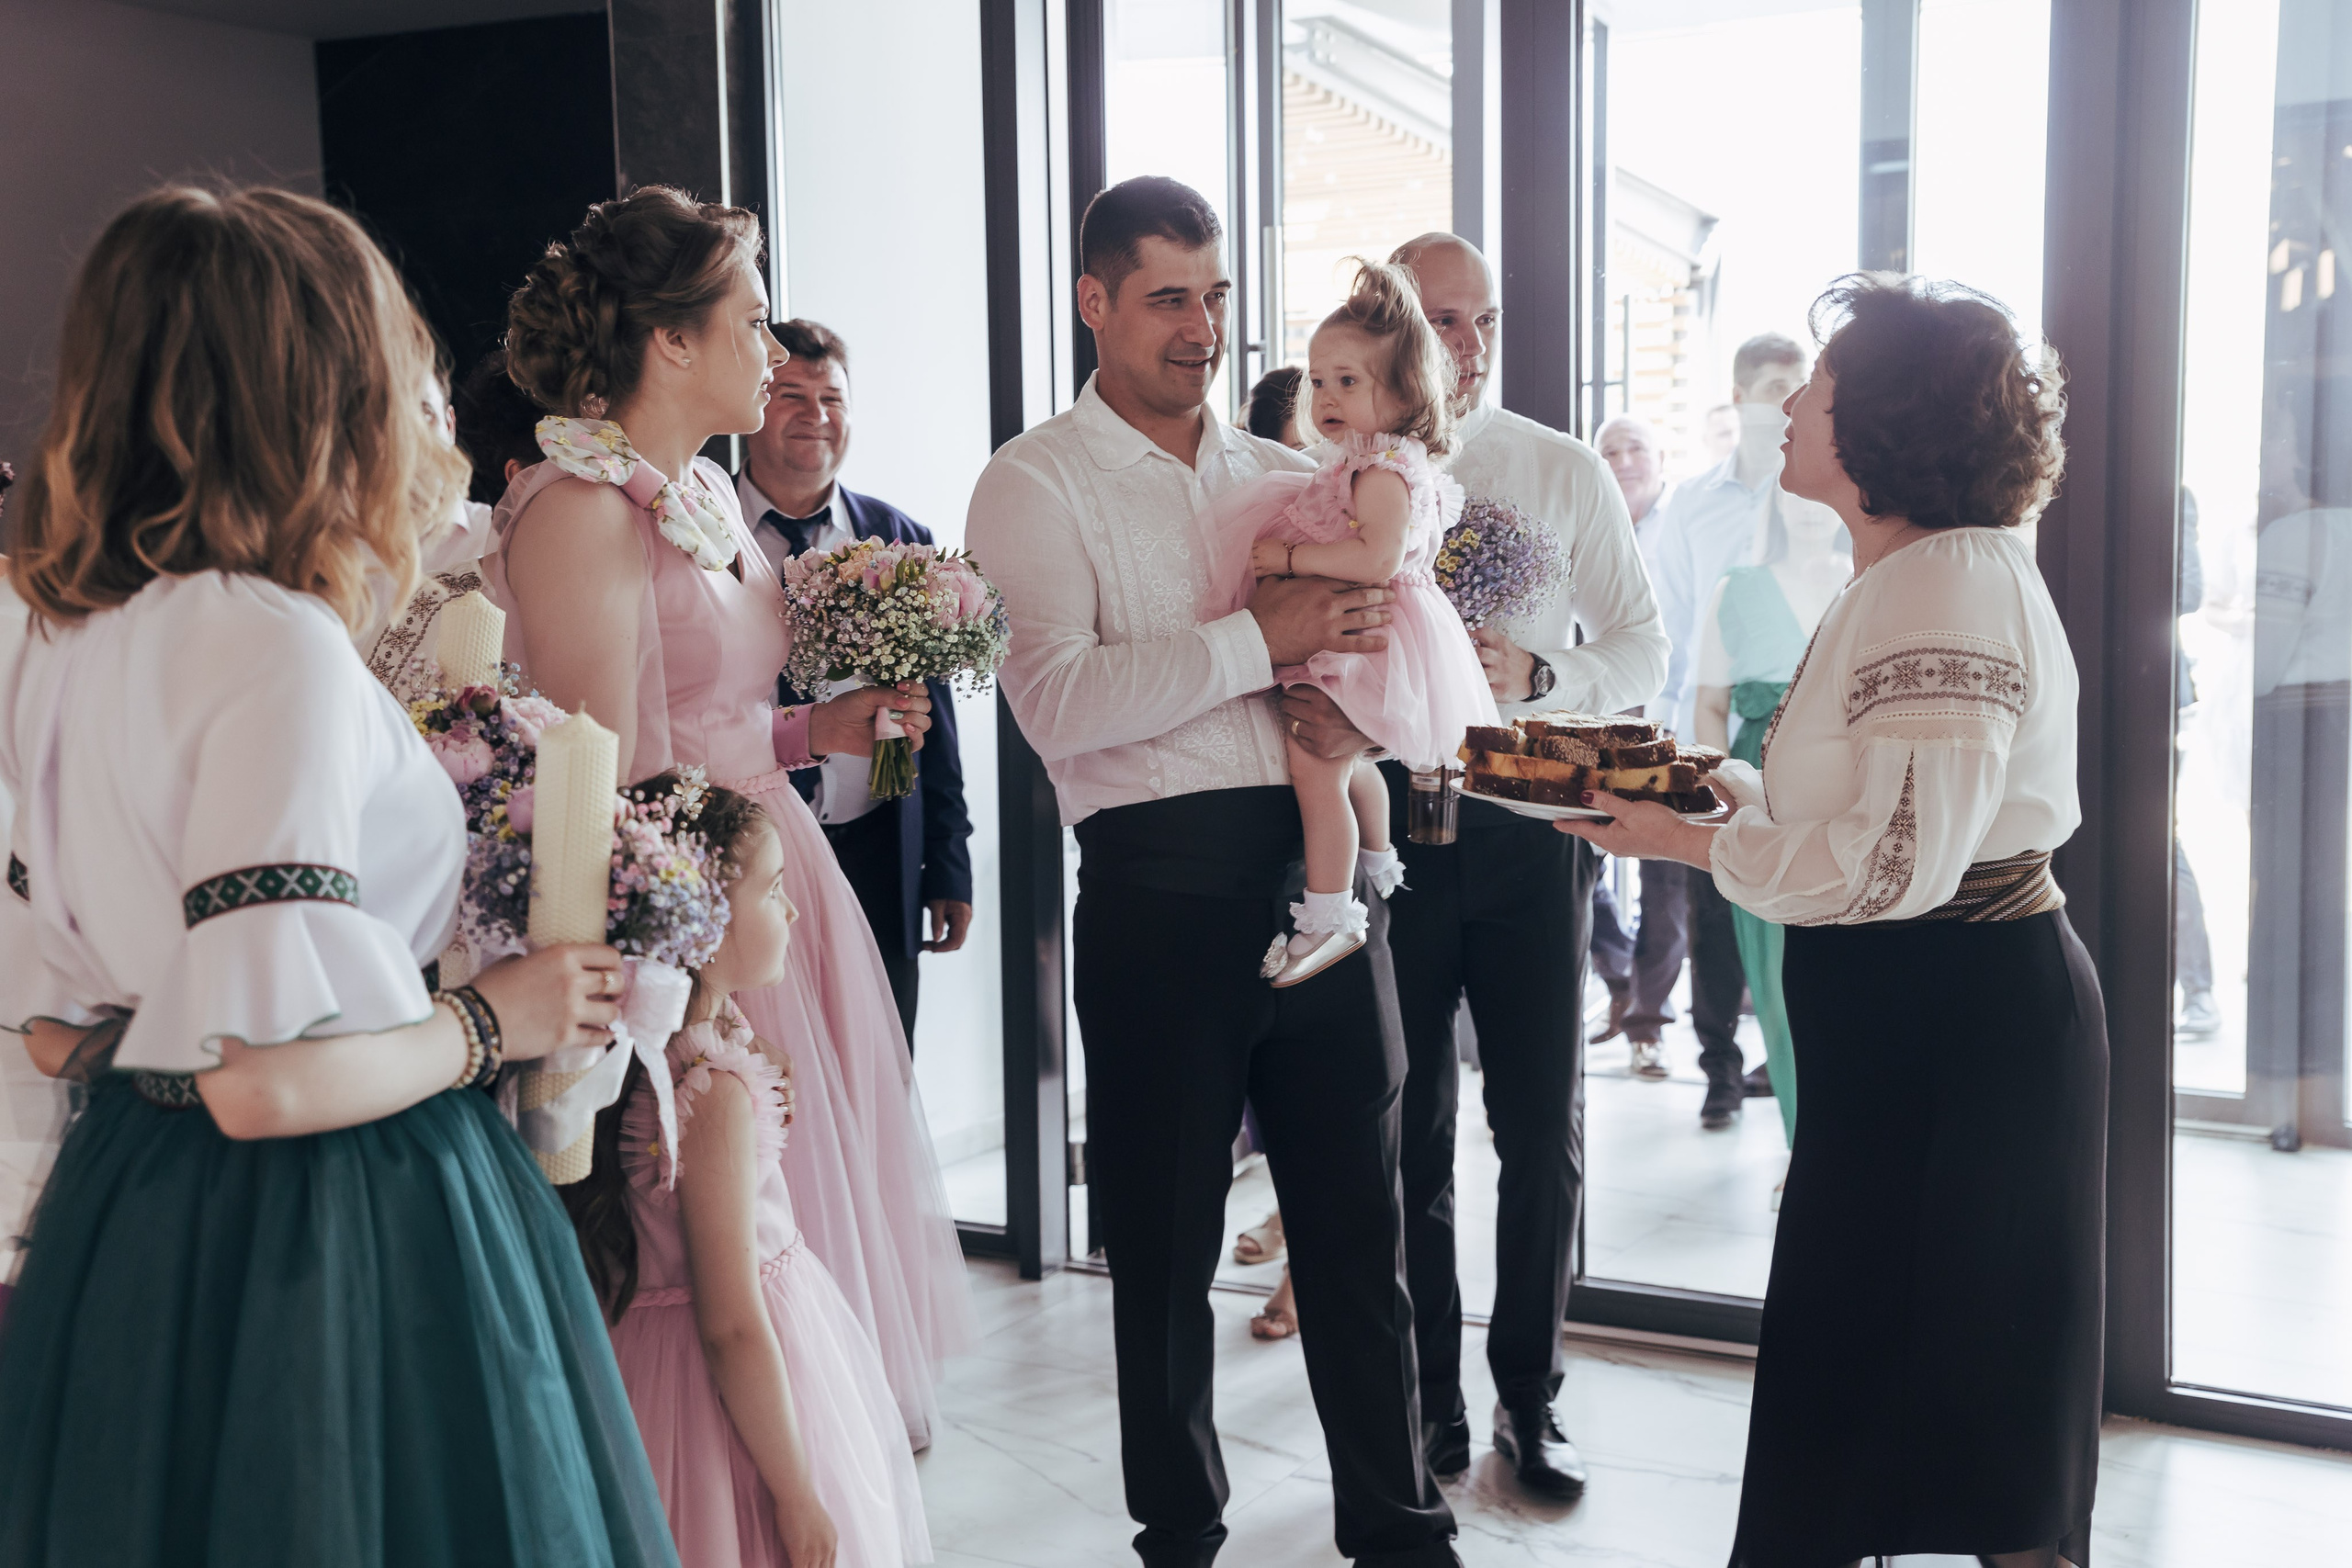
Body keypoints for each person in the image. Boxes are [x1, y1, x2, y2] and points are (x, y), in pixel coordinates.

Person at [0, 185, 674, 1568]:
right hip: (330, 1226)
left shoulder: (56, 634)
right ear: (326, 395)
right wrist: (508, 1012)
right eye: (406, 375)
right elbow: (270, 1078)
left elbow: (61, 1024)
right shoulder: (270, 646)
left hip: (133, 1204)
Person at [1561, 274, 2100, 1568]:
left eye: (1822, 382)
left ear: (1887, 424)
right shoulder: (1912, 571)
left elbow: (1898, 863)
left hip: (1961, 1035)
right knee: (1875, 1393)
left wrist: (1687, 838)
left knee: (1986, 1417)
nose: (1794, 400)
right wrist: (1705, 785)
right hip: (1921, 1029)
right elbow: (1873, 809)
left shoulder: (1948, 584)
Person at [968, 175, 1459, 1568]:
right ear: (1096, 302)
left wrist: (1363, 719)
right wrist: (1263, 636)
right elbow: (1058, 701)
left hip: (1321, 884)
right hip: (1156, 895)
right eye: (1171, 297)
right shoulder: (1030, 481)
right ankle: (1179, 1531)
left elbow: (1363, 636)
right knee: (1168, 1253)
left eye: (1217, 295)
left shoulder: (1278, 470)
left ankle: (1401, 1524)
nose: (1202, 327)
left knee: (1362, 1239)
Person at [489, 186, 975, 1451]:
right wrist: (688, 973)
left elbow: (724, 718)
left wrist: (823, 728)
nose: (772, 351)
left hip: (775, 876)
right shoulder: (581, 504)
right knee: (710, 1234)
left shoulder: (700, 499)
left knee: (801, 1214)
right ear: (672, 343)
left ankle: (823, 1451)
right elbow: (601, 772)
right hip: (687, 912)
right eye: (752, 324)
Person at [1296, 231, 1666, 1498]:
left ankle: (1530, 1395)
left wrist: (1541, 676)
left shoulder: (1560, 470)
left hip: (1532, 818)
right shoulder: (1329, 469)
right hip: (1389, 819)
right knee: (1411, 1128)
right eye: (1438, 320)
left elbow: (1642, 643)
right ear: (1392, 332)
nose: (1465, 343)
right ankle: (1429, 1402)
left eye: (1480, 320)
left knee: (1539, 1127)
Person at [567, 775, 930, 1568]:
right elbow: (731, 1322)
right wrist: (797, 1492)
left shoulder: (653, 1050)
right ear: (701, 923)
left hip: (644, 1366)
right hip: (720, 1395)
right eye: (773, 890)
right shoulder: (711, 1092)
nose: (792, 912)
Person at [1194, 260, 1498, 984]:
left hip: (1377, 633)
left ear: (1399, 392)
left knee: (1316, 766)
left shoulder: (1382, 470)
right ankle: (1378, 859)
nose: (1326, 396)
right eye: (1318, 379)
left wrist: (1290, 558)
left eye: (1348, 382)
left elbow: (1377, 557)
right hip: (1370, 629)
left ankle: (1329, 915)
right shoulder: (1366, 460)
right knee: (1349, 761)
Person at [735, 319, 974, 1046]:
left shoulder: (899, 537)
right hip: (756, 851)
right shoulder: (710, 535)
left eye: (832, 399)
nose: (816, 416)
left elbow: (936, 719)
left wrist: (949, 863)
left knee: (881, 1064)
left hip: (880, 850)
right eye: (792, 395)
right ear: (753, 404)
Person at [1634, 334, 1815, 1124]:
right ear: (1741, 397)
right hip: (1717, 729)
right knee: (1712, 913)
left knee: (1796, 916)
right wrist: (1677, 761)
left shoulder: (1823, 493)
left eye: (1799, 386)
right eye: (1777, 386)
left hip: (1802, 739)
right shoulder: (1693, 508)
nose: (1791, 401)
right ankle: (1718, 1066)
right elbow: (1669, 631)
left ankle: (1794, 1075)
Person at [1690, 488, 1852, 1156]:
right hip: (1762, 801)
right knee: (1781, 988)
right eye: (1795, 496)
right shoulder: (1739, 587)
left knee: (1853, 990)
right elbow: (1708, 707)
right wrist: (1728, 798)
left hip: (1853, 799)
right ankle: (1802, 1150)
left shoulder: (1870, 583)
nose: (1810, 507)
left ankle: (1846, 1153)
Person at [1585, 414, 1682, 1053]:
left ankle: (1649, 1018)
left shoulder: (1681, 526)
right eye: (1609, 450)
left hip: (1666, 709)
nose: (1622, 460)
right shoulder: (1593, 522)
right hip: (1602, 710)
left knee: (1664, 873)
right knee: (1585, 854)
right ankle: (1619, 977)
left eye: (1635, 448)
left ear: (1661, 458)